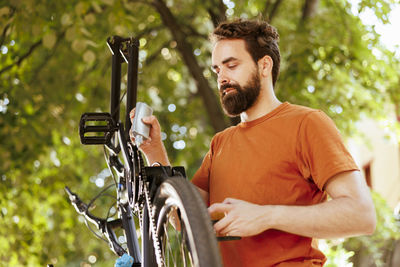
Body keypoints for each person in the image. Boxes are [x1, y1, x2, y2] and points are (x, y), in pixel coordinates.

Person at [130, 19, 376, 267]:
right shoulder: (221, 143)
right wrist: (154, 150)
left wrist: (267, 216)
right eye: (217, 70)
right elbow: (185, 219)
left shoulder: (307, 123)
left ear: (264, 65)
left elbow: (361, 215)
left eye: (231, 65)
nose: (222, 78)